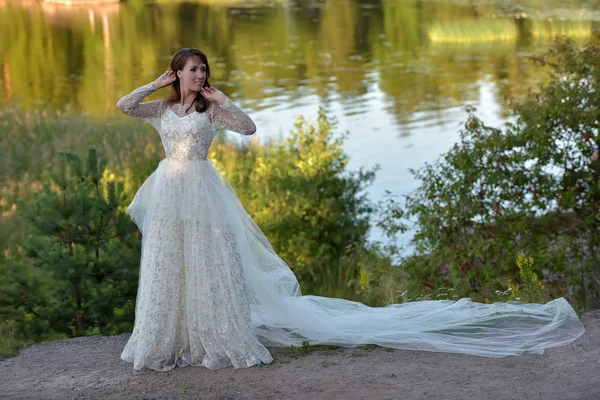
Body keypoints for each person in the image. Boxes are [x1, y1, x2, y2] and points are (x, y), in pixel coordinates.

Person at [117, 48, 585, 373]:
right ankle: (170, 339)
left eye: (203, 69)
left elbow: (251, 127)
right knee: (168, 263)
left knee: (207, 263)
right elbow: (123, 105)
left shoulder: (210, 111)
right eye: (191, 70)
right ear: (177, 73)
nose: (199, 75)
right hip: (170, 192)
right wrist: (155, 83)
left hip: (202, 189)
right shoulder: (161, 108)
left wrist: (225, 100)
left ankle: (215, 339)